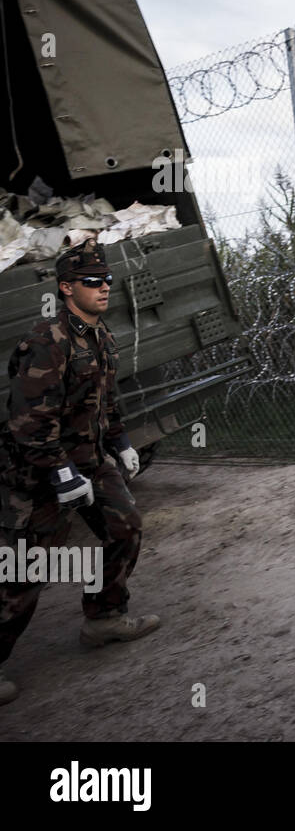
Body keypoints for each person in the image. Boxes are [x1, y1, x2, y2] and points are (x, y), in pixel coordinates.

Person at [0, 239, 160, 706]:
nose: (104, 287)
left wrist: (121, 442)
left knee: (124, 525)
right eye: (93, 281)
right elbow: (29, 424)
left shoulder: (100, 335)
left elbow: (106, 402)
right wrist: (60, 473)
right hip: (37, 474)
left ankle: (104, 617)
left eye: (107, 279)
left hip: (89, 461)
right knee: (26, 570)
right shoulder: (46, 343)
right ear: (66, 288)